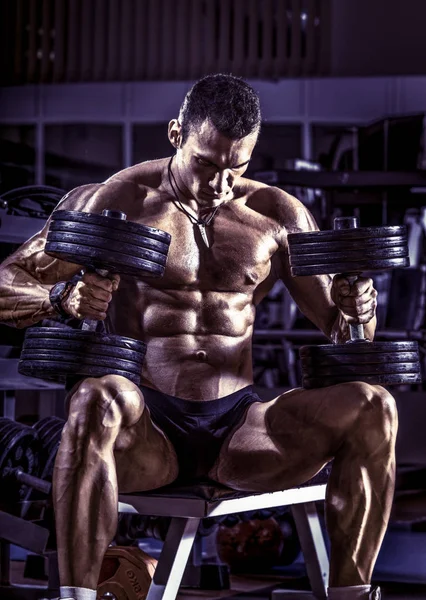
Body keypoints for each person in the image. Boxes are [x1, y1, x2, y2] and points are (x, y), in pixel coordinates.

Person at [0, 74, 394, 600]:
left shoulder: (275, 214)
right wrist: (59, 300)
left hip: (240, 431)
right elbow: (7, 282)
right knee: (95, 397)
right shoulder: (116, 200)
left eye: (236, 167)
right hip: (146, 432)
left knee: (374, 405)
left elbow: (349, 340)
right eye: (206, 163)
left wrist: (360, 311)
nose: (219, 184)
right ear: (175, 133)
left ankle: (352, 595)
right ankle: (77, 597)